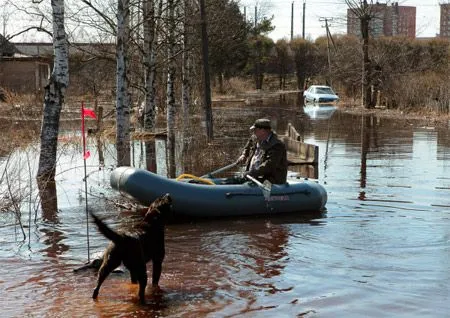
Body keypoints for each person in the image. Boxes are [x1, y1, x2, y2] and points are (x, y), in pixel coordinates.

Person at [237, 118, 288, 184]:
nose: (253, 132)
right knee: (234, 180)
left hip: (270, 179)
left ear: (263, 130)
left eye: (255, 130)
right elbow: (247, 148)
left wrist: (251, 173)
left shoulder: (277, 145)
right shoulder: (254, 138)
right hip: (253, 176)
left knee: (244, 182)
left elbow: (269, 165)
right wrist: (244, 155)